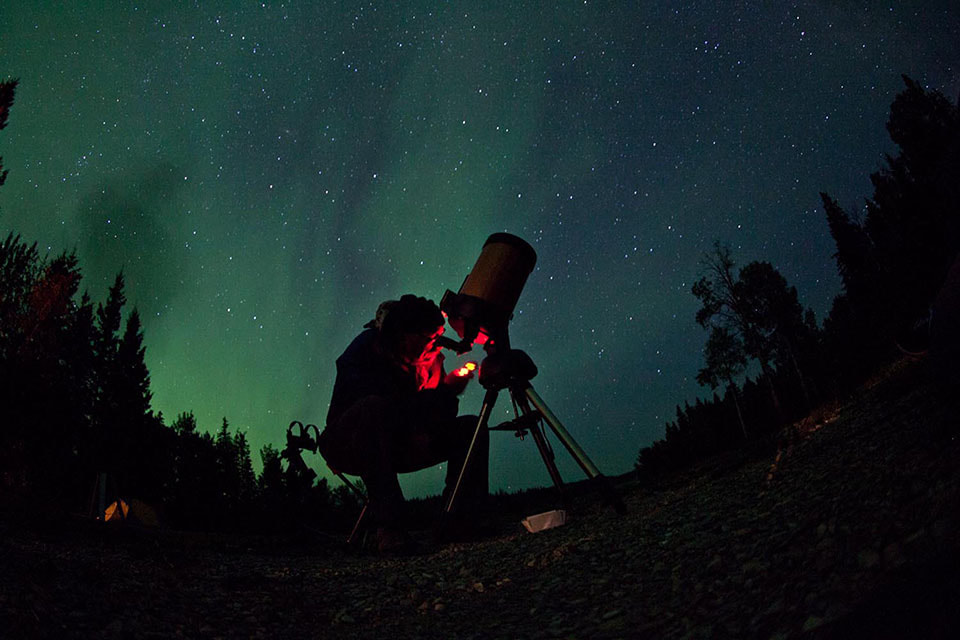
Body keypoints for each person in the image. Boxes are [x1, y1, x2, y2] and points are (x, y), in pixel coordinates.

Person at [317, 294, 489, 552]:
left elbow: (439, 416)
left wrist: (447, 393)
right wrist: (438, 396)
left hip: (402, 442)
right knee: (373, 408)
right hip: (348, 442)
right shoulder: (366, 349)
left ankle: (460, 521)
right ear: (404, 335)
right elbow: (386, 407)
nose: (435, 345)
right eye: (429, 338)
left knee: (471, 429)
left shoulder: (431, 360)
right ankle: (390, 529)